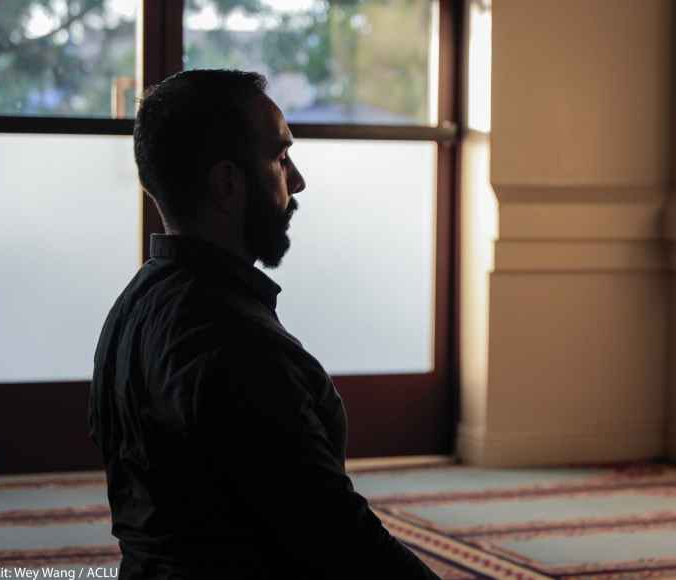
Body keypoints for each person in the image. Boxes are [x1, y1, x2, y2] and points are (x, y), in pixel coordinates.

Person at [88, 69, 438, 579]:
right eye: (279, 158)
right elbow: (337, 537)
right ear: (228, 183)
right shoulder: (231, 343)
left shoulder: (133, 307)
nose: (297, 180)